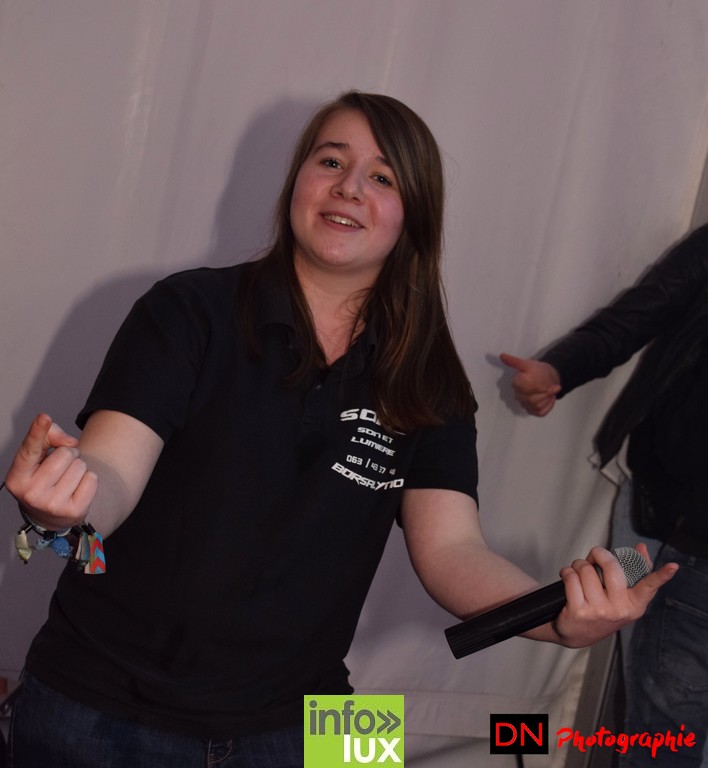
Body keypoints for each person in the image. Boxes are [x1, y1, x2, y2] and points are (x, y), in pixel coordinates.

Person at [3, 91, 674, 768]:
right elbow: (111, 473)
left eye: (382, 177)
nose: (350, 187)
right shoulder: (187, 309)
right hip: (100, 713)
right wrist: (64, 509)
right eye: (331, 161)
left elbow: (452, 551)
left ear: (414, 216)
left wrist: (556, 620)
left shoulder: (430, 375)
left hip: (315, 716)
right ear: (297, 180)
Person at [501, 223, 708, 767]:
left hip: (687, 547)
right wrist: (558, 369)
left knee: (666, 730)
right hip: (651, 518)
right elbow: (639, 313)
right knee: (661, 721)